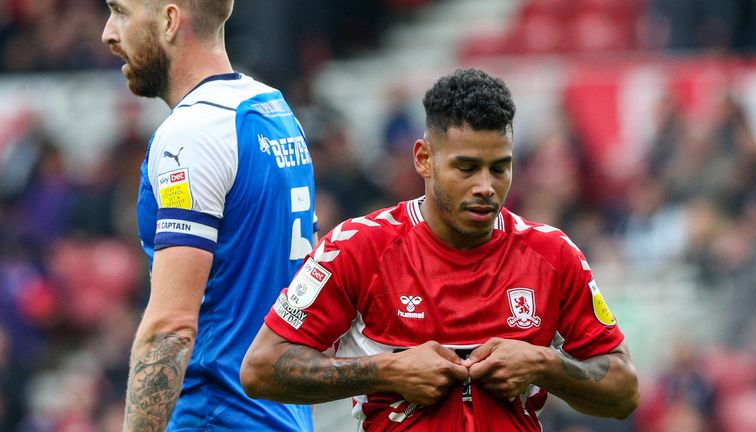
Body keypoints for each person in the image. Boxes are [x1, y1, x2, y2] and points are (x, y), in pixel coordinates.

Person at [240, 69, 639, 431]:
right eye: (467, 168)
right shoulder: (359, 247)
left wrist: (545, 364)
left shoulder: (552, 254)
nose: (486, 186)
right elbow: (261, 369)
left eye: (499, 168)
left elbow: (624, 393)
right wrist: (388, 370)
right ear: (424, 159)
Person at [101, 1, 315, 431]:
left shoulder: (192, 134)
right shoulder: (274, 112)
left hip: (216, 416)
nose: (108, 33)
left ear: (169, 19)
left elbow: (172, 327)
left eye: (121, 12)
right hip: (282, 416)